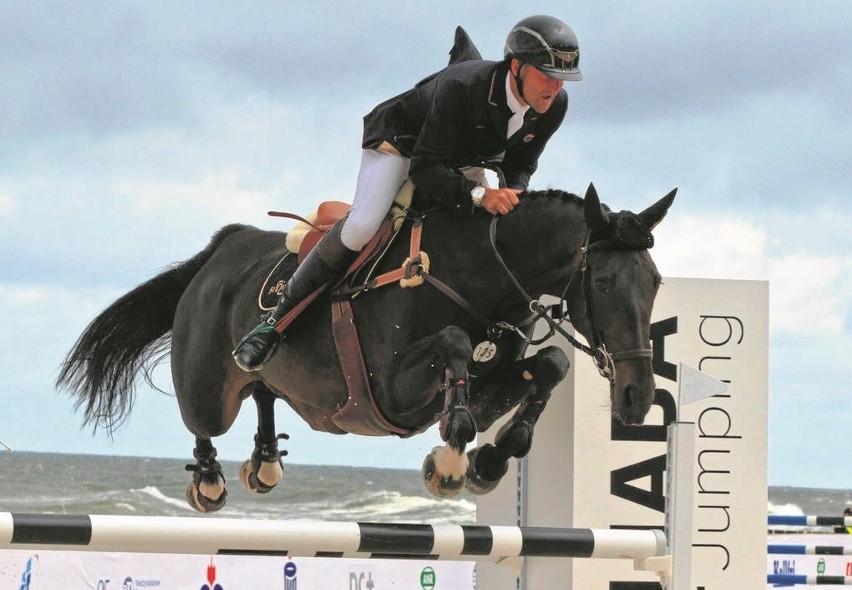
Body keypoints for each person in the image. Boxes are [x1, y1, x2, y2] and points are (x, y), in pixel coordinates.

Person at [232, 15, 583, 372]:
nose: (554, 88)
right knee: (362, 226)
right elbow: (426, 168)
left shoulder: (555, 105)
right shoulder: (463, 87)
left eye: (562, 80)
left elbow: (522, 162)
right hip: (402, 146)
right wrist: (480, 196)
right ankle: (275, 323)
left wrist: (512, 194)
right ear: (516, 67)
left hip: (459, 157)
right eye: (546, 76)